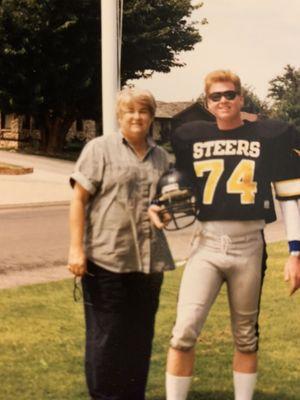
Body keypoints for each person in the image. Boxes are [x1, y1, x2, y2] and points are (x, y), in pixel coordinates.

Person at [149, 70, 300, 400]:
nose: (223, 101)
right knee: (183, 331)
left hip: (249, 245)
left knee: (246, 336)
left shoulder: (269, 136)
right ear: (207, 102)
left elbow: (289, 194)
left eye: (229, 94)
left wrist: (295, 251)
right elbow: (180, 184)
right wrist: (158, 205)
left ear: (241, 98)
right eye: (216, 97)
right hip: (207, 243)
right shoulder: (192, 137)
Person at [67, 87, 175, 400]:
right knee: (107, 340)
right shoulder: (98, 149)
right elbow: (78, 200)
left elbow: (162, 205)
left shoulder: (162, 157)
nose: (137, 117)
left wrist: (164, 213)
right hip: (106, 259)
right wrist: (76, 249)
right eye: (130, 111)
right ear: (120, 116)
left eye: (143, 111)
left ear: (152, 117)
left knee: (139, 339)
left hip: (148, 264)